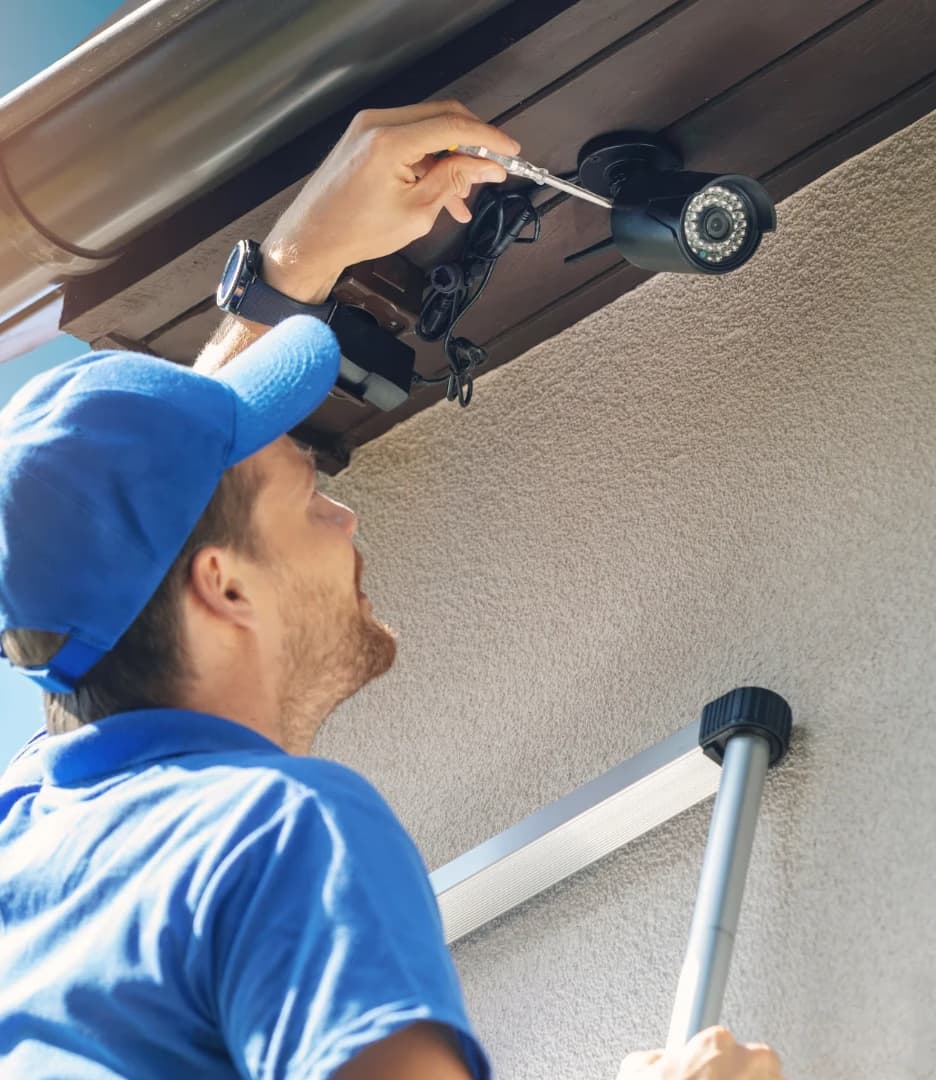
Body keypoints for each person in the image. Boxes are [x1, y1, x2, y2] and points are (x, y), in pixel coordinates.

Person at [0, 100, 784, 1079]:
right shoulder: (279, 832)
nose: (347, 521)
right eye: (308, 496)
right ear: (225, 589)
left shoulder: (29, 844)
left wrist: (298, 254)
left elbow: (110, 547)